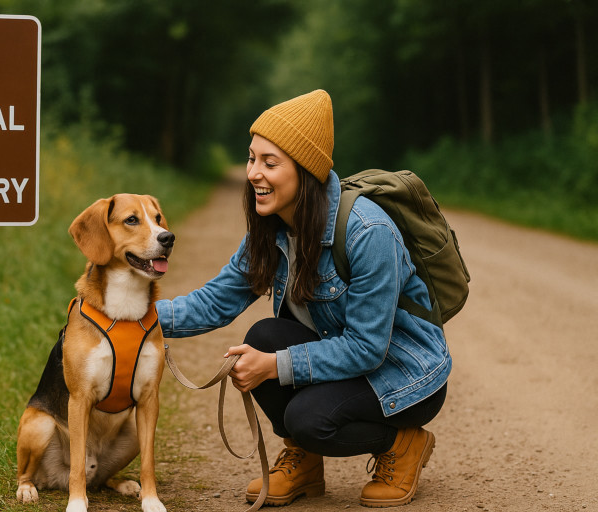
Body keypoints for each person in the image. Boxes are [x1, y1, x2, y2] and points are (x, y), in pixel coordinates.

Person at [155, 90, 451, 508]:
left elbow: (367, 347)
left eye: (270, 163)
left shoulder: (369, 233)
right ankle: (305, 463)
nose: (254, 173)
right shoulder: (272, 227)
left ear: (305, 171)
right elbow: (215, 302)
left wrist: (275, 365)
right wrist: (134, 314)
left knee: (308, 417)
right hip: (348, 361)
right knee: (263, 335)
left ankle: (402, 443)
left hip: (403, 374)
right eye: (251, 158)